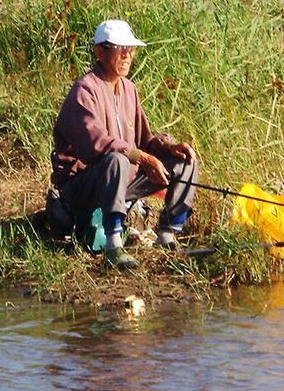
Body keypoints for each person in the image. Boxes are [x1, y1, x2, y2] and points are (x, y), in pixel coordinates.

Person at [50, 19, 198, 269]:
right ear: (100, 52)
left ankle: (168, 235)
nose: (128, 55)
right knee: (116, 158)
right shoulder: (84, 91)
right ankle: (113, 244)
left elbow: (144, 141)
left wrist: (168, 148)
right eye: (121, 49)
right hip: (82, 186)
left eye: (131, 49)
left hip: (121, 183)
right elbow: (95, 145)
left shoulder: (129, 89)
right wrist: (140, 157)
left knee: (184, 161)